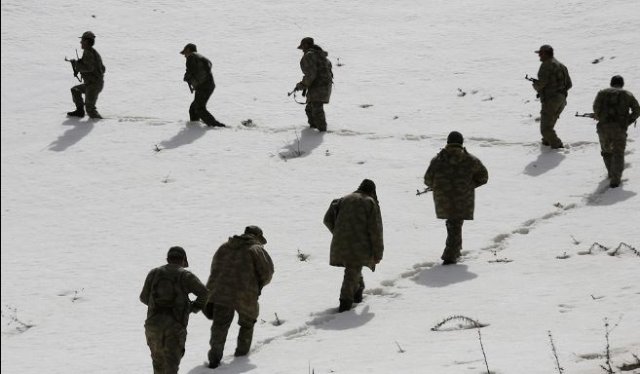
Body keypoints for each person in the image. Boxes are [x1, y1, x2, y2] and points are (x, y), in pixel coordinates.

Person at [205, 226, 274, 369]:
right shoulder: (256, 249)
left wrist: (211, 292)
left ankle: (214, 360)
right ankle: (241, 358)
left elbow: (215, 269)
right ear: (257, 236)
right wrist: (258, 285)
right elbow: (267, 272)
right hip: (246, 294)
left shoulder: (224, 247)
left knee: (219, 326)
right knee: (247, 324)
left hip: (221, 293)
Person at [140, 246, 209, 374]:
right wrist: (192, 308)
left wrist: (157, 308)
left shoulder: (154, 273)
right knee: (171, 365)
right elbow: (204, 293)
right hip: (175, 327)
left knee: (158, 364)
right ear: (183, 260)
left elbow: (143, 298)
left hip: (153, 326)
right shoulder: (185, 275)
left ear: (168, 259)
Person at [424, 131, 488, 265]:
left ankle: (454, 251)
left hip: (443, 199)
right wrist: (469, 186)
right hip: (463, 199)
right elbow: (483, 177)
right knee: (455, 223)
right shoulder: (470, 160)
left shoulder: (438, 160)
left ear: (448, 142)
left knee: (453, 223)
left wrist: (440, 187)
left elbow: (428, 180)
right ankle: (450, 255)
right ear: (461, 143)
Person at [323, 179, 384, 313]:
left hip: (340, 244)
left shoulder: (343, 199)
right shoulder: (370, 202)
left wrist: (338, 233)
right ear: (372, 191)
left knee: (353, 269)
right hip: (358, 247)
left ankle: (358, 292)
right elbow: (376, 231)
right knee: (352, 271)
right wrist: (378, 254)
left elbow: (327, 219)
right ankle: (345, 306)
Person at [592, 75, 640, 188]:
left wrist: (600, 116)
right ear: (622, 84)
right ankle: (615, 179)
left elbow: (595, 108)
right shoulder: (627, 94)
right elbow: (637, 110)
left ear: (611, 83)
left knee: (606, 151)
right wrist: (628, 121)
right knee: (618, 153)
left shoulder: (602, 93)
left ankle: (610, 172)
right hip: (619, 129)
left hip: (603, 128)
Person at [532, 44, 572, 149]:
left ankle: (557, 146)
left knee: (545, 129)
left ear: (546, 54)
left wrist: (535, 85)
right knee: (549, 125)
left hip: (551, 101)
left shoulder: (546, 65)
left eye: (540, 53)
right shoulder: (561, 65)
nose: (539, 56)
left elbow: (541, 84)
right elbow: (569, 84)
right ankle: (546, 142)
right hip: (562, 100)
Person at [180, 43, 226, 127]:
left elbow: (191, 71)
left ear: (188, 50)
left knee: (199, 108)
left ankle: (215, 125)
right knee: (193, 109)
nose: (184, 56)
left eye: (185, 53)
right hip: (208, 85)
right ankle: (194, 126)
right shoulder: (199, 57)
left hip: (203, 86)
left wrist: (187, 77)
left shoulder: (191, 57)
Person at [294, 37, 333, 132]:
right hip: (324, 86)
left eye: (303, 47)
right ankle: (312, 131)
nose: (302, 50)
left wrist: (302, 85)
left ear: (306, 45)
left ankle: (321, 132)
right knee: (310, 109)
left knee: (316, 110)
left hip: (318, 87)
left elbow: (311, 74)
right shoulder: (320, 55)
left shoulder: (309, 56)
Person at [67, 31, 106, 119]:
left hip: (94, 85)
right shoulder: (90, 52)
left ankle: (102, 125)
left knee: (90, 110)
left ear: (87, 41)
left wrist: (78, 65)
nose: (80, 42)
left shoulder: (89, 53)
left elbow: (89, 68)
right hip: (91, 83)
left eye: (82, 40)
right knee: (75, 90)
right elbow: (102, 68)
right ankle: (80, 111)